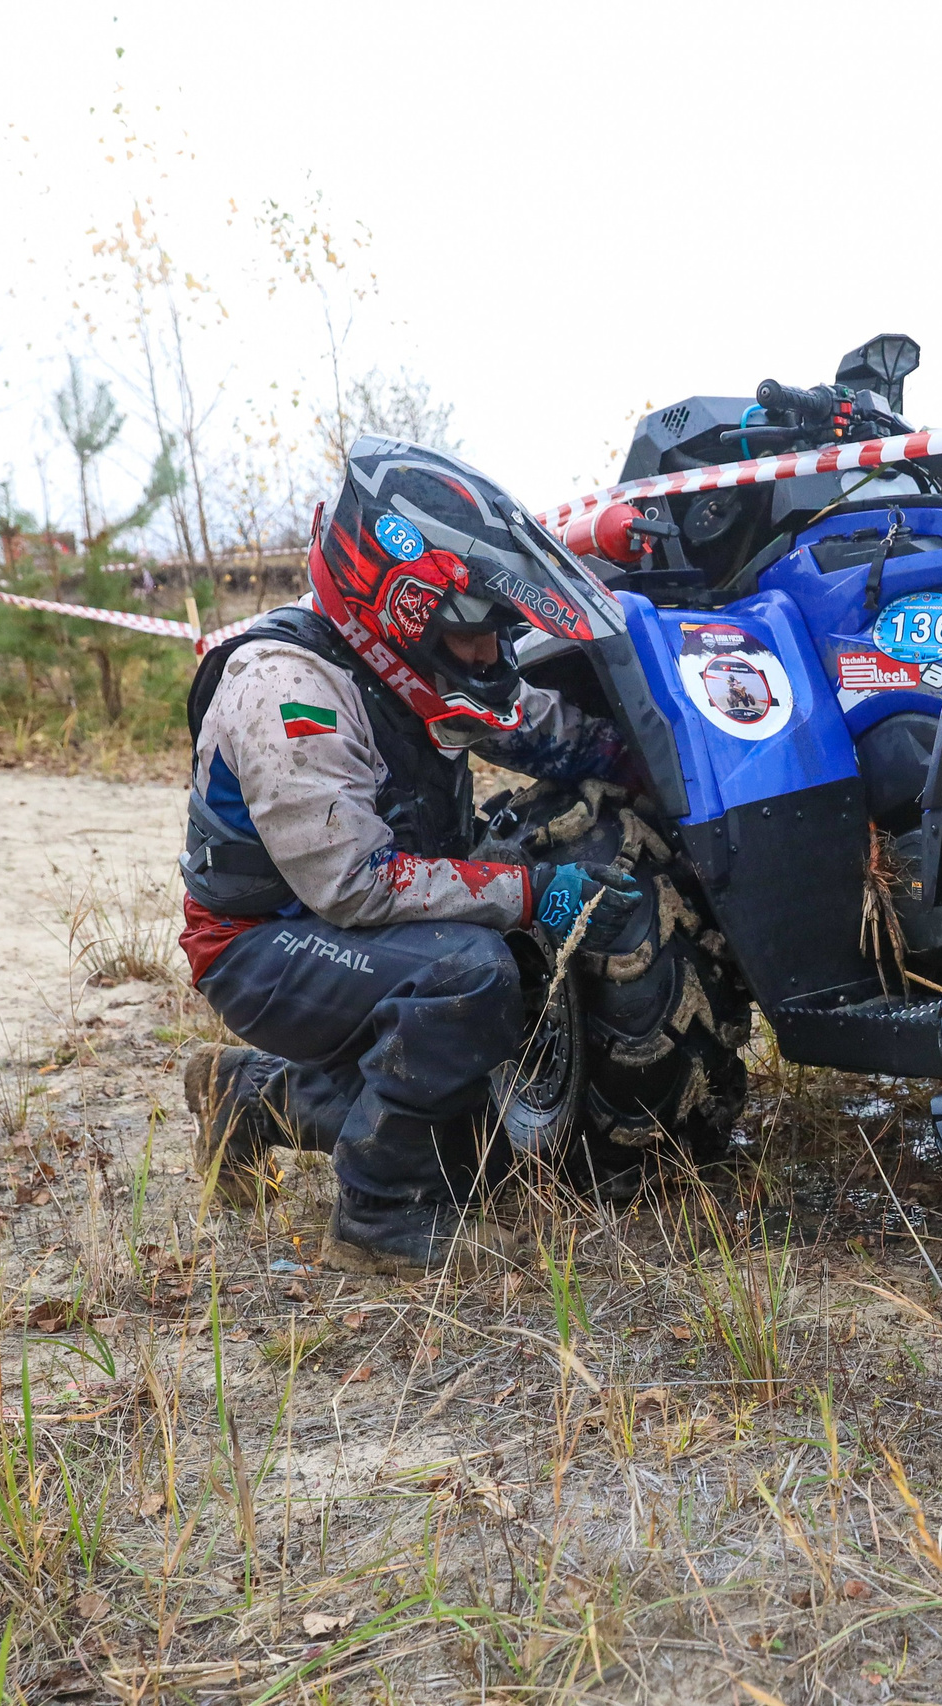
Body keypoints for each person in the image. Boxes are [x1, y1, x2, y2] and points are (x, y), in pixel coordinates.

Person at [176, 436, 642, 1277]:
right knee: (469, 976)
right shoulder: (289, 689)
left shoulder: (407, 665)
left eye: (497, 632)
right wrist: (531, 891)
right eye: (470, 634)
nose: (487, 653)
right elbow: (352, 884)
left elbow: (536, 726)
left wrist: (642, 755)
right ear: (402, 611)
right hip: (255, 942)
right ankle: (379, 1219)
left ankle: (245, 1096)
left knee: (480, 1138)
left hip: (330, 928)